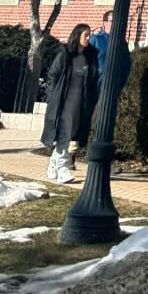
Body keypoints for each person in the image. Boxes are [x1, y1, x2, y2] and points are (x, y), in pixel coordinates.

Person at [41, 22, 99, 184]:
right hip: (64, 101)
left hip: (82, 102)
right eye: (85, 35)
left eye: (90, 35)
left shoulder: (91, 57)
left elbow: (94, 81)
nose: (88, 38)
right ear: (77, 35)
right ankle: (62, 168)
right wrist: (52, 96)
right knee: (65, 133)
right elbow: (52, 75)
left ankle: (53, 164)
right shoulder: (66, 54)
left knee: (73, 133)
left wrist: (94, 103)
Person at [88, 8, 130, 93]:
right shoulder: (96, 39)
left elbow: (127, 64)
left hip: (114, 87)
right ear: (105, 22)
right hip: (96, 86)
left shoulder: (122, 43)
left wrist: (121, 82)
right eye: (112, 21)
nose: (115, 24)